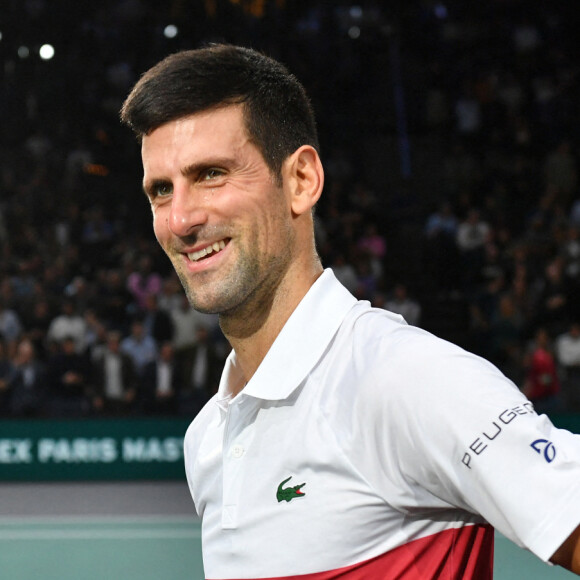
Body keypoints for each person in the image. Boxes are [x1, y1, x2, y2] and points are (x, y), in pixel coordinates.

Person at [121, 44, 580, 579]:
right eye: (161, 190)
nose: (180, 219)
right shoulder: (207, 437)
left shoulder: (401, 379)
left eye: (211, 174)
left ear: (301, 181)